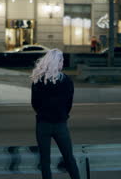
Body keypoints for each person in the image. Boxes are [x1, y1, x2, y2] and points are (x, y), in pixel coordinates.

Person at [30, 49, 80, 179]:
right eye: (61, 60)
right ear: (57, 62)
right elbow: (69, 105)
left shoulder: (37, 80)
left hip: (43, 125)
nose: (63, 62)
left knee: (45, 162)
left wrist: (44, 113)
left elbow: (34, 103)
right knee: (69, 158)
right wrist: (61, 114)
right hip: (60, 125)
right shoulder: (67, 81)